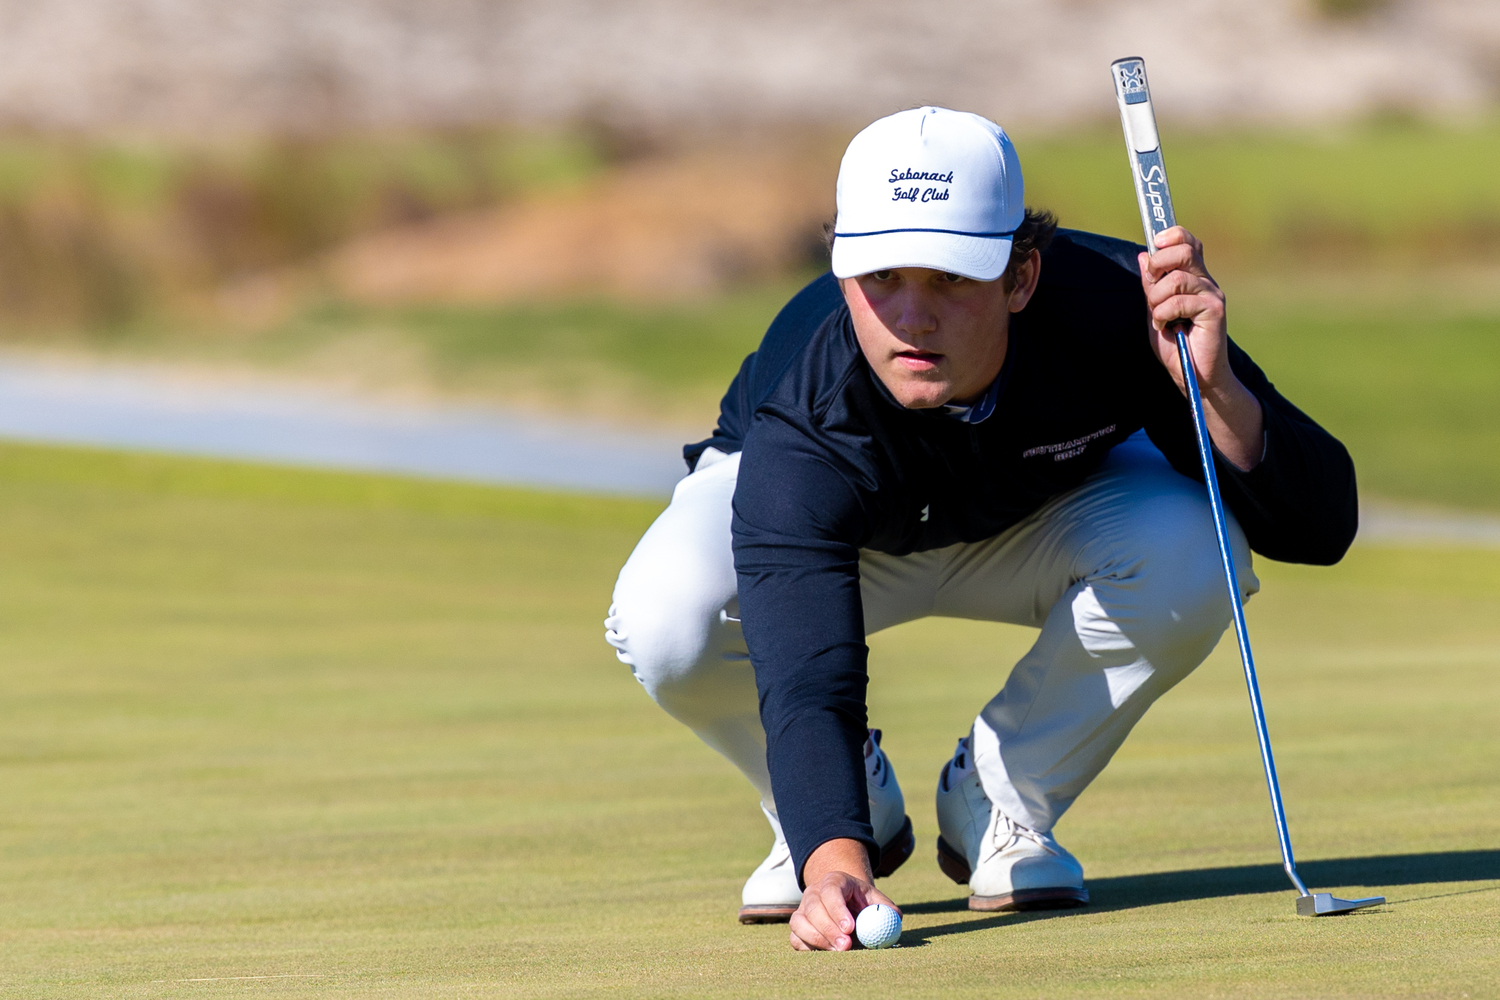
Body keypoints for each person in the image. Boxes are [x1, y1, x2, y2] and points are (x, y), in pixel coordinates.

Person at [604, 107, 1355, 952]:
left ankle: (1002, 800)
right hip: (845, 549)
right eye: (881, 276)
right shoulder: (806, 410)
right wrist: (834, 860)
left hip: (1038, 518)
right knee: (666, 614)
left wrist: (1212, 390)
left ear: (1021, 276)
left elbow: (1321, 526)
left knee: (1198, 547)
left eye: (952, 279)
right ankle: (823, 809)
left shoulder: (1125, 311)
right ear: (841, 271)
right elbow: (805, 667)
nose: (912, 319)